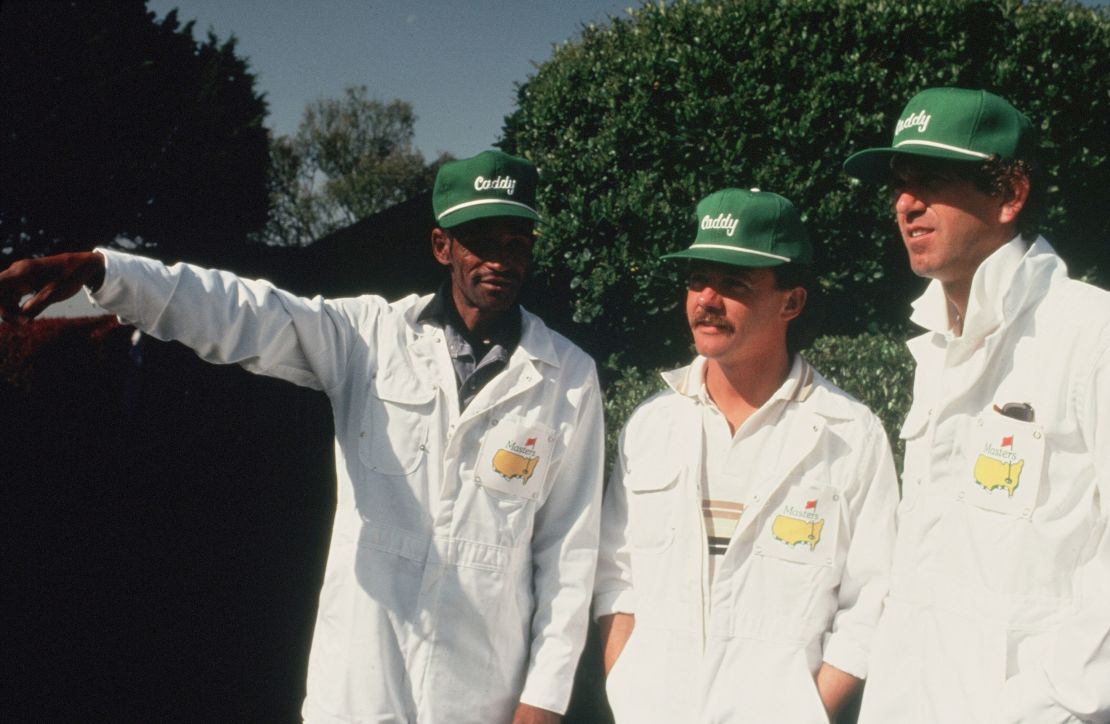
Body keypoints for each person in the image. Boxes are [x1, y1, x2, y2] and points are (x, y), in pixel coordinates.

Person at [0, 150, 604, 724]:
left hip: (483, 697)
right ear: (442, 246)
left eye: (515, 242)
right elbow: (241, 311)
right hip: (361, 685)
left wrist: (543, 697)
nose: (500, 258)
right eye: (480, 241)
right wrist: (105, 271)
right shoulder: (369, 336)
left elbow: (569, 550)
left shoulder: (568, 375)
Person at [844, 87, 1110, 723]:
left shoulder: (1091, 333)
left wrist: (1049, 707)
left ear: (1010, 194)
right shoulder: (934, 348)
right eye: (899, 184)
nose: (906, 203)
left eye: (931, 180)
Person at [593, 188, 899, 723]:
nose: (706, 299)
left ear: (792, 302)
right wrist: (628, 685)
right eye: (696, 280)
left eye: (733, 283)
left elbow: (872, 601)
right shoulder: (651, 426)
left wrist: (807, 712)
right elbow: (616, 577)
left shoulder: (850, 433)